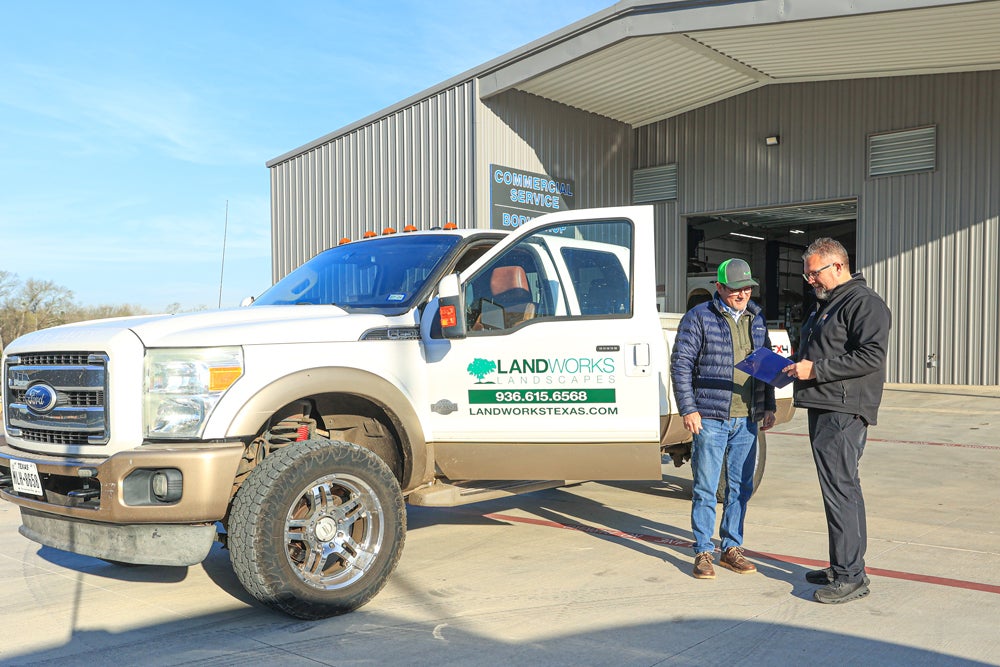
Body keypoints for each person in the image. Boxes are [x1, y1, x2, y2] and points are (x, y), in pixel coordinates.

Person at [782, 238, 891, 604]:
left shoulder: (863, 303)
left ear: (838, 267)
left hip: (843, 410)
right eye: (807, 273)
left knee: (841, 490)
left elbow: (872, 356)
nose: (810, 279)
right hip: (825, 404)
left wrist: (817, 369)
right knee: (840, 489)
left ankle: (850, 577)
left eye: (815, 272)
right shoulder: (829, 304)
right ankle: (843, 564)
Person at [671, 258, 776, 580]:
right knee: (705, 487)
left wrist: (768, 405)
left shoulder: (756, 319)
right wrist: (689, 409)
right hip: (712, 417)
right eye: (734, 289)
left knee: (740, 488)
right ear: (719, 287)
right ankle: (703, 550)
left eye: (746, 288)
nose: (742, 294)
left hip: (747, 419)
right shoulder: (698, 318)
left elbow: (766, 365)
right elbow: (681, 365)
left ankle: (732, 548)